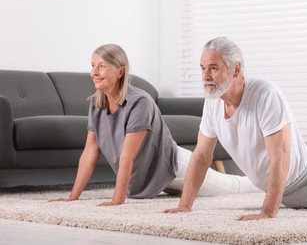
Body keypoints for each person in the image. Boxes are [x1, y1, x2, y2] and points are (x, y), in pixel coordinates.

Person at [163, 37, 307, 220]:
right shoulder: (213, 101)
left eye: (213, 68)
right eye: (202, 68)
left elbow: (280, 157)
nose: (205, 76)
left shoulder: (265, 94)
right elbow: (202, 156)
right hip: (287, 190)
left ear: (236, 69)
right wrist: (185, 205)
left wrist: (267, 212)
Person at [49, 44, 258, 206]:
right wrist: (72, 197)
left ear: (120, 71)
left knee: (234, 186)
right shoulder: (96, 104)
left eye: (102, 66)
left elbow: (128, 155)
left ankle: (273, 183)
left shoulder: (139, 102)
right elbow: (89, 153)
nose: (94, 72)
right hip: (149, 178)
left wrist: (117, 200)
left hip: (174, 167)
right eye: (92, 65)